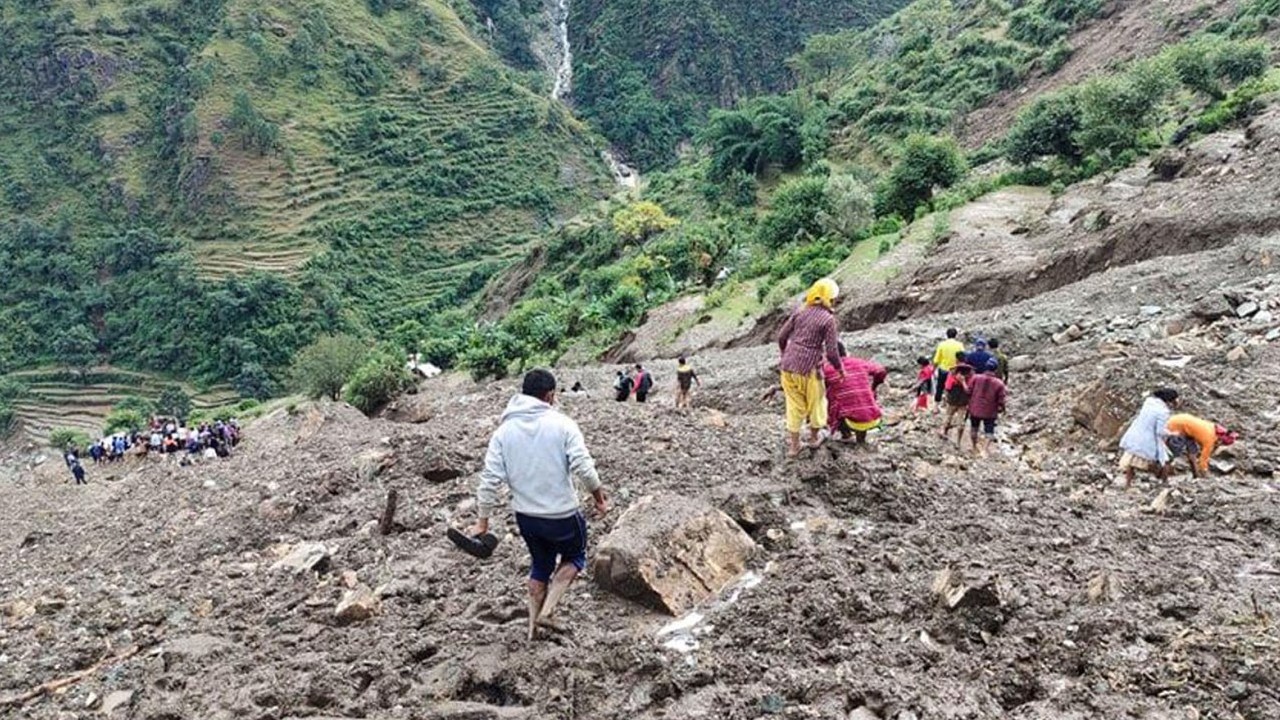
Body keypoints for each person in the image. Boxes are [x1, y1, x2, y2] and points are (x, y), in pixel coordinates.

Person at [470, 369, 608, 640]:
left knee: (540, 566)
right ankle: (549, 612)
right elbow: (583, 466)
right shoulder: (563, 424)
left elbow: (489, 481)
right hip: (562, 514)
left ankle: (533, 631)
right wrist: (599, 499)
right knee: (574, 558)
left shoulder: (503, 432)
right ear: (550, 395)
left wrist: (482, 521)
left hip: (527, 517)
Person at [777, 278, 845, 457]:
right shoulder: (828, 319)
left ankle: (794, 446)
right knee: (817, 403)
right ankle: (814, 438)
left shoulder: (799, 311)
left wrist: (785, 355)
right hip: (809, 368)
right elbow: (831, 351)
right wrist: (840, 369)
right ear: (828, 298)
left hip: (787, 367)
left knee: (794, 405)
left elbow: (781, 337)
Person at [823, 344, 887, 445]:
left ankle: (846, 434)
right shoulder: (859, 362)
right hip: (872, 417)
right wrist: (874, 386)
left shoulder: (827, 369)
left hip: (849, 419)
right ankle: (861, 440)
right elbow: (881, 370)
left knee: (832, 396)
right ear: (845, 352)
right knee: (859, 398)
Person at [1117, 388, 1179, 488]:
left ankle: (1127, 483)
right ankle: (1164, 482)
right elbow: (1160, 431)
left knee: (1131, 460)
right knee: (1166, 460)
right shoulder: (1163, 412)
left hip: (1134, 434)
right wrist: (1172, 433)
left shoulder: (1149, 402)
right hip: (1148, 440)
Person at [1166, 414, 1237, 478]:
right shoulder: (1209, 440)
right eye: (1222, 444)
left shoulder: (1212, 428)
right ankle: (1163, 475)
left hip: (1185, 425)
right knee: (1172, 454)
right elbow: (1203, 460)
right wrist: (1205, 473)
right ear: (1220, 440)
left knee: (1193, 453)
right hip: (1177, 426)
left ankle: (1196, 476)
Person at [966, 367, 1008, 456]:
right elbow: (1001, 399)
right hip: (990, 411)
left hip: (975, 408)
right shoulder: (999, 383)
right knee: (989, 431)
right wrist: (1003, 409)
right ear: (995, 370)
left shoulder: (976, 378)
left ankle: (974, 447)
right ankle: (984, 450)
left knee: (974, 428)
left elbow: (969, 391)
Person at [940, 352, 974, 442]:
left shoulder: (953, 371)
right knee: (961, 420)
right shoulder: (970, 372)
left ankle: (944, 433)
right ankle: (958, 441)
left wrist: (945, 397)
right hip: (964, 399)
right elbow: (971, 387)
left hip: (953, 397)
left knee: (948, 415)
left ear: (956, 359)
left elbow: (947, 386)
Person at [931, 329, 965, 406]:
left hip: (943, 369)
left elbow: (937, 359)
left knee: (940, 386)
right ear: (956, 335)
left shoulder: (942, 345)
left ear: (947, 335)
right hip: (955, 369)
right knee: (952, 387)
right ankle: (947, 402)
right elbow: (962, 356)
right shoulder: (960, 345)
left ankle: (936, 404)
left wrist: (933, 368)